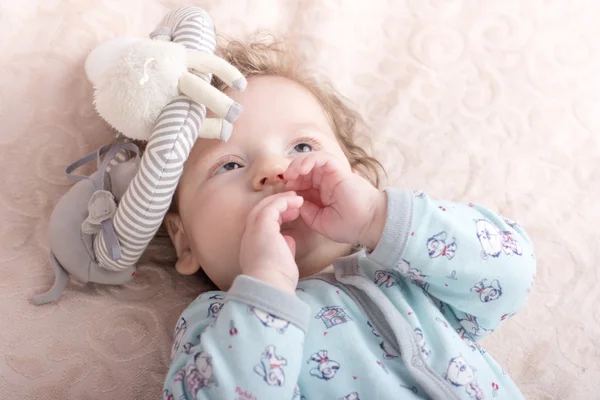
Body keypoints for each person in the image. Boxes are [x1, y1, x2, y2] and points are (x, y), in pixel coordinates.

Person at [162, 37, 536, 400]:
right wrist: (266, 285)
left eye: (302, 146)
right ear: (184, 240)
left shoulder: (410, 268)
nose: (275, 169)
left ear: (357, 178)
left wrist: (379, 216)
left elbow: (511, 275)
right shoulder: (213, 325)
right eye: (229, 164)